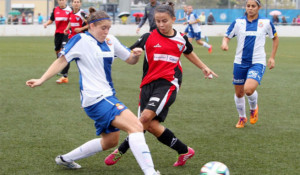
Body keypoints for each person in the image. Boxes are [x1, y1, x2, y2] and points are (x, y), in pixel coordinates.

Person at [26, 10, 159, 175]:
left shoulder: (110, 40)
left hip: (106, 97)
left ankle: (65, 159)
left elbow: (130, 60)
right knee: (136, 126)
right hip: (97, 98)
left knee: (110, 141)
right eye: (103, 28)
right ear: (91, 26)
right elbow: (61, 60)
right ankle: (150, 172)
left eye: (108, 28)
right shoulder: (80, 40)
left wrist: (136, 55)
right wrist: (41, 79)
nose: (106, 31)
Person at [105, 2, 218, 167]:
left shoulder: (180, 39)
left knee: (143, 119)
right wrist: (131, 53)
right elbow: (125, 52)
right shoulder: (148, 37)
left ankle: (120, 151)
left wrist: (204, 67)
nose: (161, 24)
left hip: (168, 83)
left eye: (164, 21)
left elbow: (188, 52)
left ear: (173, 19)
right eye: (157, 21)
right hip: (147, 84)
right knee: (150, 125)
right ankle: (184, 150)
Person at [221, 0, 279, 128]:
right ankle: (242, 118)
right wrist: (225, 43)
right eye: (248, 6)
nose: (250, 8)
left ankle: (253, 108)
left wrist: (272, 57)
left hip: (257, 62)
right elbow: (227, 36)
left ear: (259, 7)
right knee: (239, 93)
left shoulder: (266, 23)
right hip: (239, 62)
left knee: (248, 89)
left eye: (253, 6)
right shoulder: (238, 22)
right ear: (245, 7)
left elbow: (275, 38)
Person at [57, 0, 88, 84]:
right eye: (75, 2)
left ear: (80, 4)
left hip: (80, 39)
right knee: (65, 55)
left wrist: (81, 29)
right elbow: (71, 21)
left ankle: (88, 77)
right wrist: (67, 28)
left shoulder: (82, 13)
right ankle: (64, 76)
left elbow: (90, 24)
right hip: (71, 38)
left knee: (83, 59)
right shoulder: (71, 12)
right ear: (72, 3)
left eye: (78, 2)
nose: (76, 3)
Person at [44, 0, 71, 84]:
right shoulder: (55, 9)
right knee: (57, 51)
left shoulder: (70, 10)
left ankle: (65, 76)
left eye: (63, 0)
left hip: (66, 33)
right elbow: (52, 20)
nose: (61, 1)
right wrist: (46, 24)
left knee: (64, 52)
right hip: (58, 34)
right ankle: (60, 67)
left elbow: (72, 21)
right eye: (59, 0)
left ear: (65, 1)